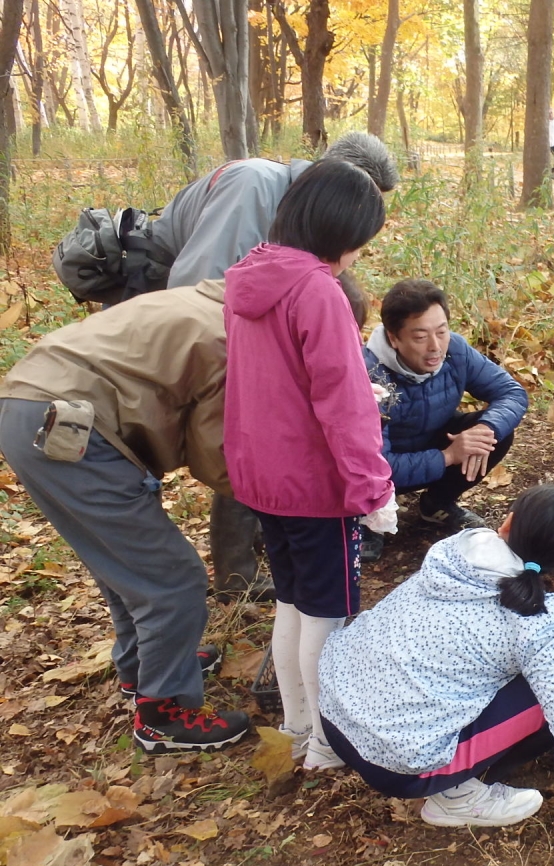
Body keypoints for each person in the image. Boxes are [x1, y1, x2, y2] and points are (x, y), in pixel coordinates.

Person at [0, 283, 287, 753]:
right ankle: (163, 713)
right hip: (68, 424)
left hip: (28, 404)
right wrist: (278, 502)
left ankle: (144, 668)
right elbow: (217, 456)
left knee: (125, 565)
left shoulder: (217, 299)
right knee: (172, 578)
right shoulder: (232, 343)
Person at [149, 132, 399, 605]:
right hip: (174, 319)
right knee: (241, 434)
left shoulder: (294, 246)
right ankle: (236, 570)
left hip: (231, 328)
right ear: (331, 191)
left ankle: (270, 531)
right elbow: (195, 292)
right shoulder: (253, 188)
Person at [317, 485, 554, 828]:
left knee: (544, 669)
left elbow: (552, 648)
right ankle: (456, 797)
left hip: (333, 715)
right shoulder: (536, 620)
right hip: (393, 765)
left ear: (506, 524)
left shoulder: (457, 554)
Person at [223, 160, 396, 771]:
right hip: (314, 484)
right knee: (329, 611)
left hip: (262, 476)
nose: (356, 255)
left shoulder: (249, 279)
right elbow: (343, 402)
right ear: (338, 230)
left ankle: (298, 724)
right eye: (359, 242)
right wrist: (374, 490)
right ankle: (327, 741)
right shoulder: (317, 290)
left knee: (293, 602)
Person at [362, 280, 529, 561]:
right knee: (362, 479)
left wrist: (485, 428)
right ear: (394, 338)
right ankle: (366, 521)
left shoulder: (455, 351)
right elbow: (375, 466)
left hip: (429, 444)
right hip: (377, 471)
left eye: (442, 331)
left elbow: (512, 392)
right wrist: (449, 456)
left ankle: (436, 504)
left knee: (495, 433)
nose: (435, 346)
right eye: (420, 337)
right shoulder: (369, 375)